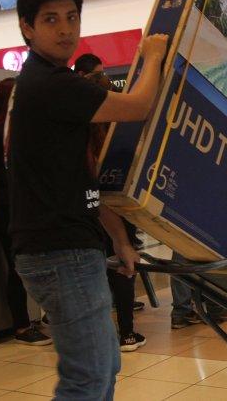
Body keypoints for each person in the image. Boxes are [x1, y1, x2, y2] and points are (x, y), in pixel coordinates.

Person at [6, 0, 168, 400]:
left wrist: (119, 240)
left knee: (103, 367)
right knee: (88, 378)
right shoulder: (50, 84)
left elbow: (83, 179)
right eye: (51, 19)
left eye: (72, 17)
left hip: (67, 247)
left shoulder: (45, 82)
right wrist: (152, 56)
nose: (65, 29)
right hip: (60, 253)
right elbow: (138, 106)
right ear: (27, 27)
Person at [0, 77, 51, 346]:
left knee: (30, 264)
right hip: (7, 209)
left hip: (25, 207)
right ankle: (21, 325)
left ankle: (35, 318)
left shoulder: (20, 130)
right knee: (18, 267)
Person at [80, 69, 146, 352]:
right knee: (123, 267)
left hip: (89, 214)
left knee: (96, 271)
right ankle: (127, 333)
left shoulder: (80, 135)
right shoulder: (119, 135)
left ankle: (97, 334)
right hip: (119, 210)